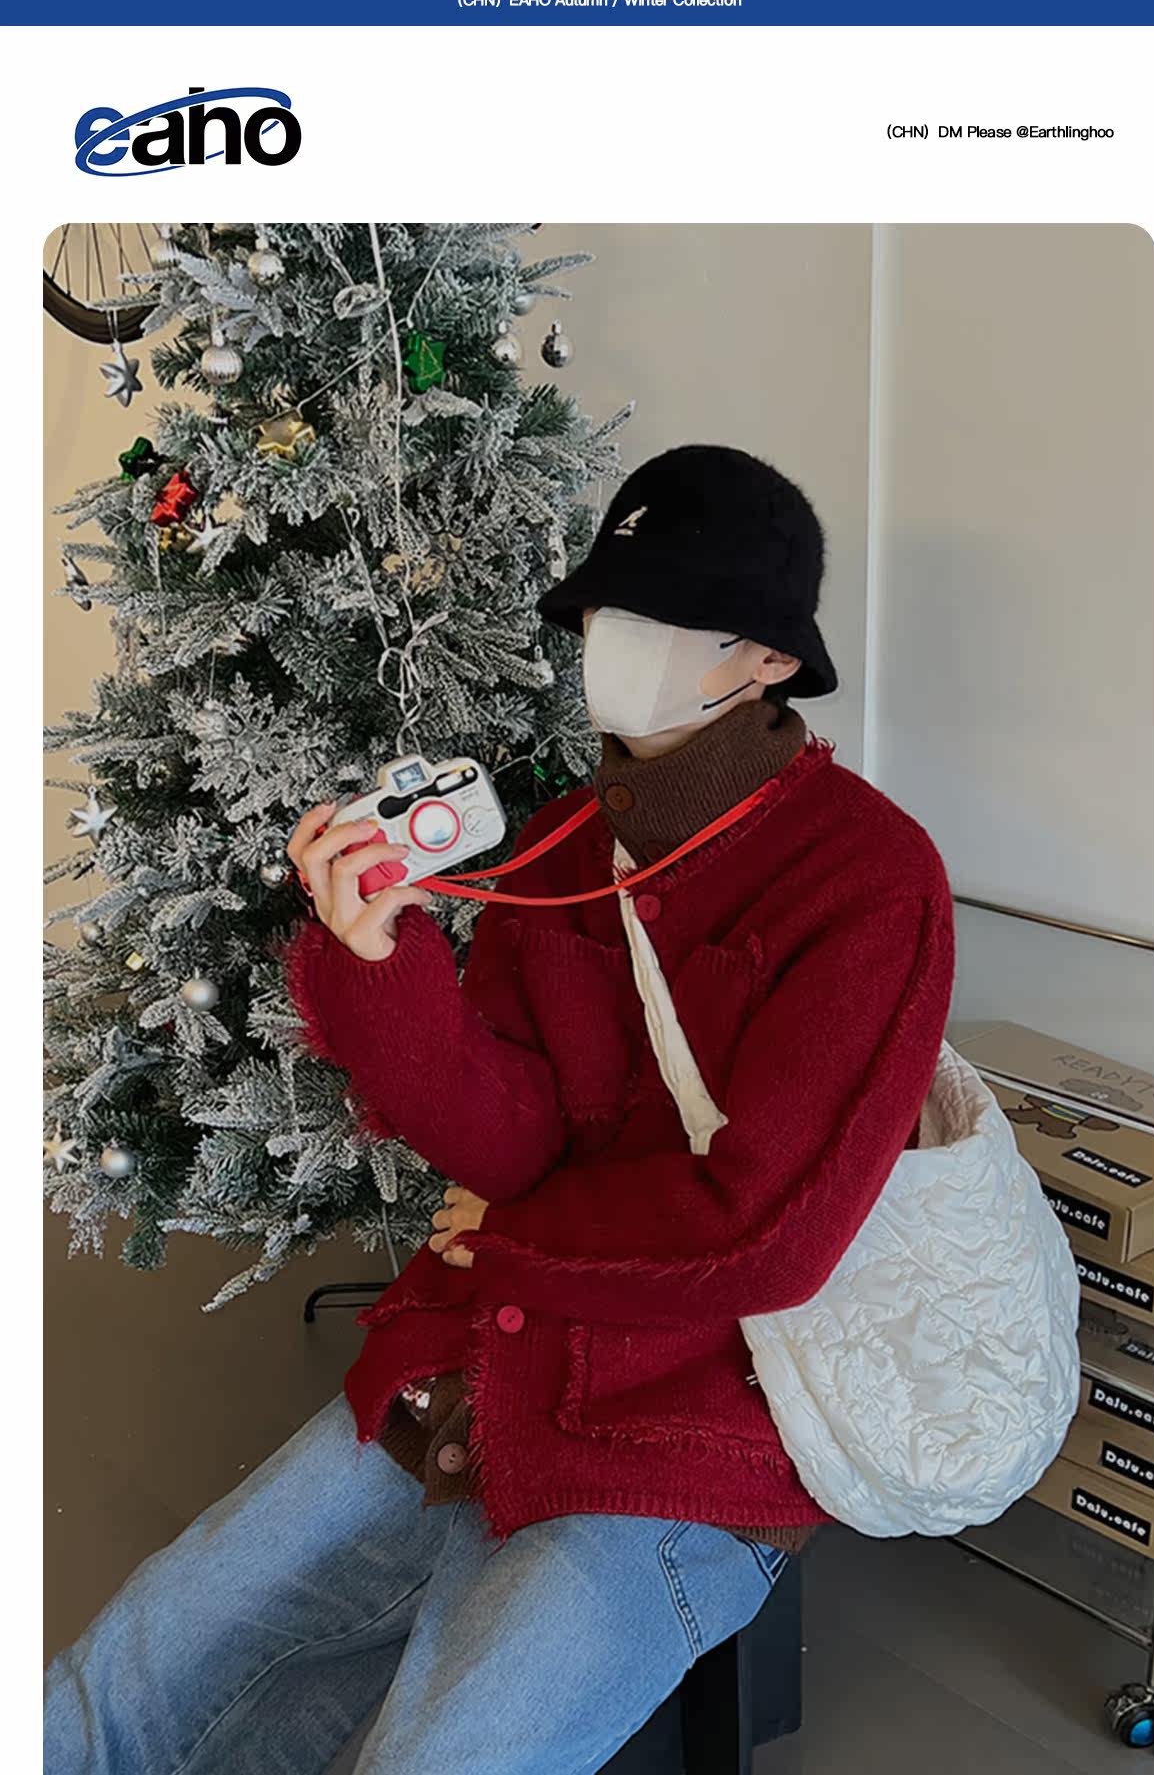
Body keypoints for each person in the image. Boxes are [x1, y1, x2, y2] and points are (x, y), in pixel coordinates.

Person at [45, 444, 955, 1774]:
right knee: (123, 1673)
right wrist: (377, 959)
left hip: (694, 1431)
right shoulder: (561, 848)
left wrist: (515, 1239)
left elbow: (767, 1230)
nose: (620, 643)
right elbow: (505, 1139)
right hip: (471, 1359)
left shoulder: (870, 878)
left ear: (769, 659)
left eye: (669, 617)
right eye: (609, 611)